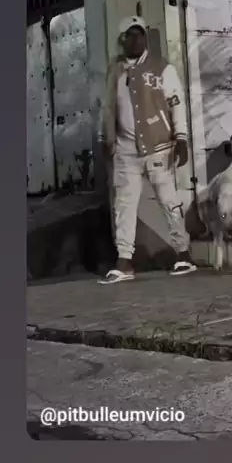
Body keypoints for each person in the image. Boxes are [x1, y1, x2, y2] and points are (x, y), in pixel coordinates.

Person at [98, 14, 197, 284]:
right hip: (125, 149)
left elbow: (176, 104)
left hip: (159, 147)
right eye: (130, 35)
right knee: (124, 205)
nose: (136, 39)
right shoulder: (114, 70)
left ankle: (183, 254)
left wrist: (182, 138)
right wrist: (104, 138)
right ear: (121, 40)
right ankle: (124, 261)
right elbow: (106, 107)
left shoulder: (162, 69)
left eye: (140, 34)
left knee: (169, 201)